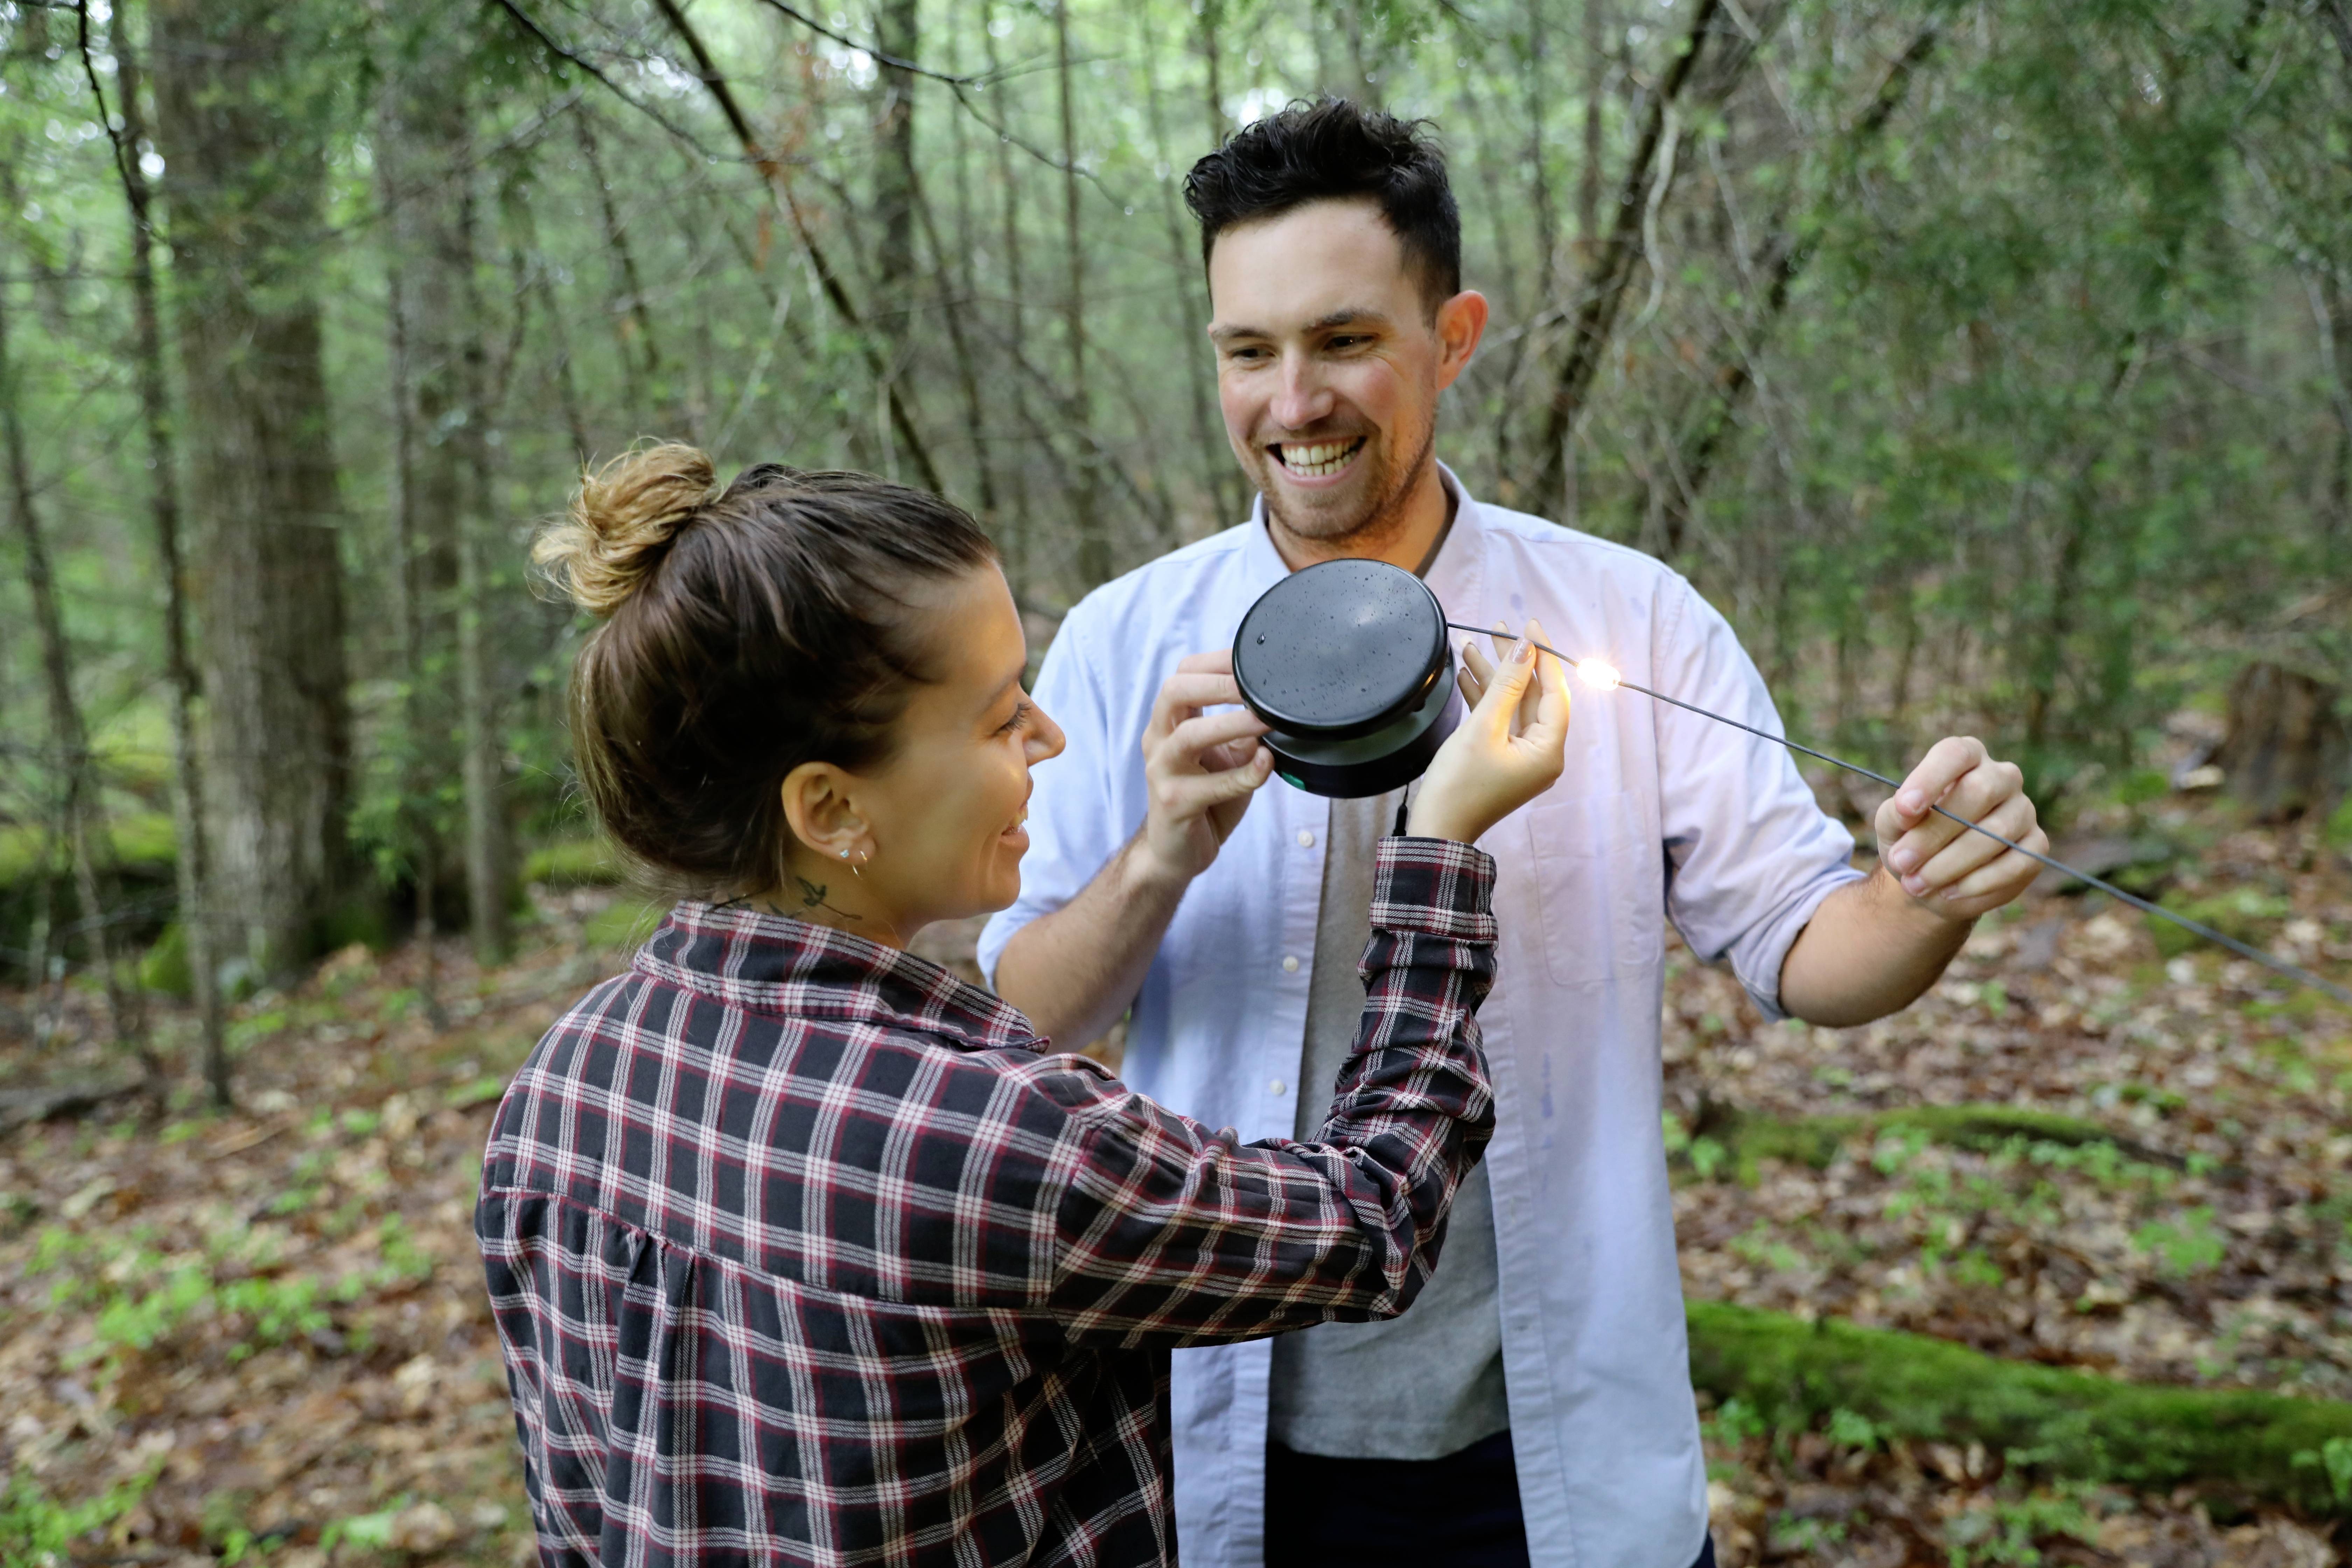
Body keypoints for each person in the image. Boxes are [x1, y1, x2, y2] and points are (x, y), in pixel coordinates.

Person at [980, 100, 2051, 1568]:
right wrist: (1163, 849)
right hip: (1218, 1450)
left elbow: (1813, 950)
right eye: (1248, 351)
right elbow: (1015, 1022)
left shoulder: (1628, 618)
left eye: (1346, 340)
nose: (1294, 401)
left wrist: (1928, 890)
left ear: (1455, 334)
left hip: (1555, 1449)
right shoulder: (1124, 643)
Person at [475, 443, 1573, 1566]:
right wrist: (1437, 847)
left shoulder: (559, 1091)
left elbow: (578, 1513)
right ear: (831, 806)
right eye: (1003, 719)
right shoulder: (978, 1131)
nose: (1049, 739)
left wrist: (1158, 854)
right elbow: (1371, 1226)